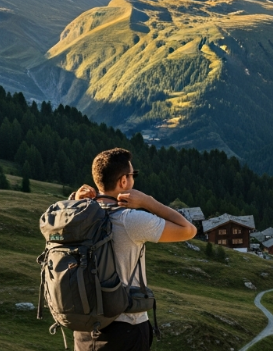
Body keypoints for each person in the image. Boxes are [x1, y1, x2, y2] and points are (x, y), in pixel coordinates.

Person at [73, 148, 197, 351]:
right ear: (123, 181)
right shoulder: (130, 220)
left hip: (84, 327)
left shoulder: (77, 216)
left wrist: (76, 201)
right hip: (126, 326)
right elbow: (188, 230)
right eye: (133, 175)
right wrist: (147, 201)